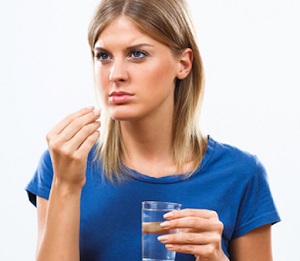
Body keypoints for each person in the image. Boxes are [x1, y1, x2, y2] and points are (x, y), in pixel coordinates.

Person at [25, 0, 280, 260]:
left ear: (183, 64)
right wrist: (66, 186)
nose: (115, 74)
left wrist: (217, 258)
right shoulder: (64, 164)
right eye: (103, 56)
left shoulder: (240, 174)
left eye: (137, 54)